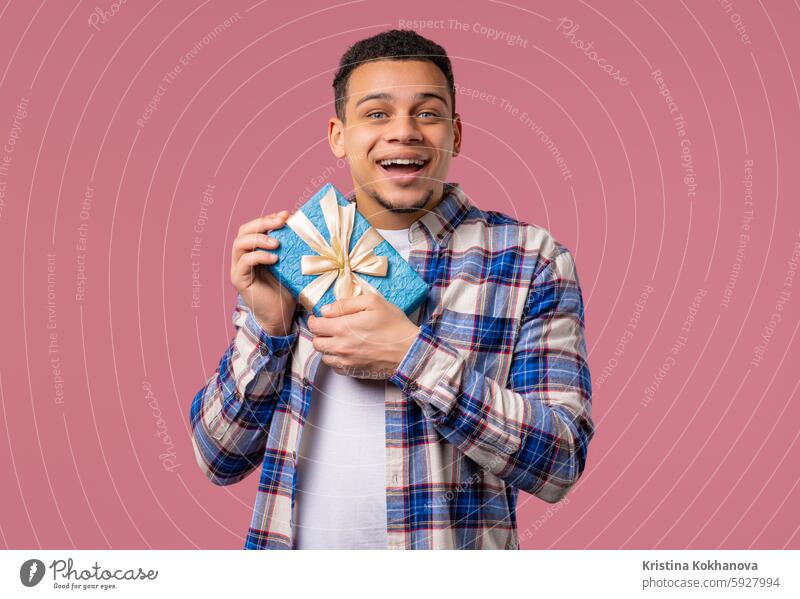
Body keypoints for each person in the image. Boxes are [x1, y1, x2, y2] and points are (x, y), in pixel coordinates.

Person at [189, 28, 595, 550]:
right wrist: (269, 331)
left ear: (456, 133)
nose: (403, 132)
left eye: (427, 113)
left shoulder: (529, 260)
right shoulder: (298, 250)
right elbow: (217, 457)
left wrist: (410, 356)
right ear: (339, 134)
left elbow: (560, 461)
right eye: (376, 113)